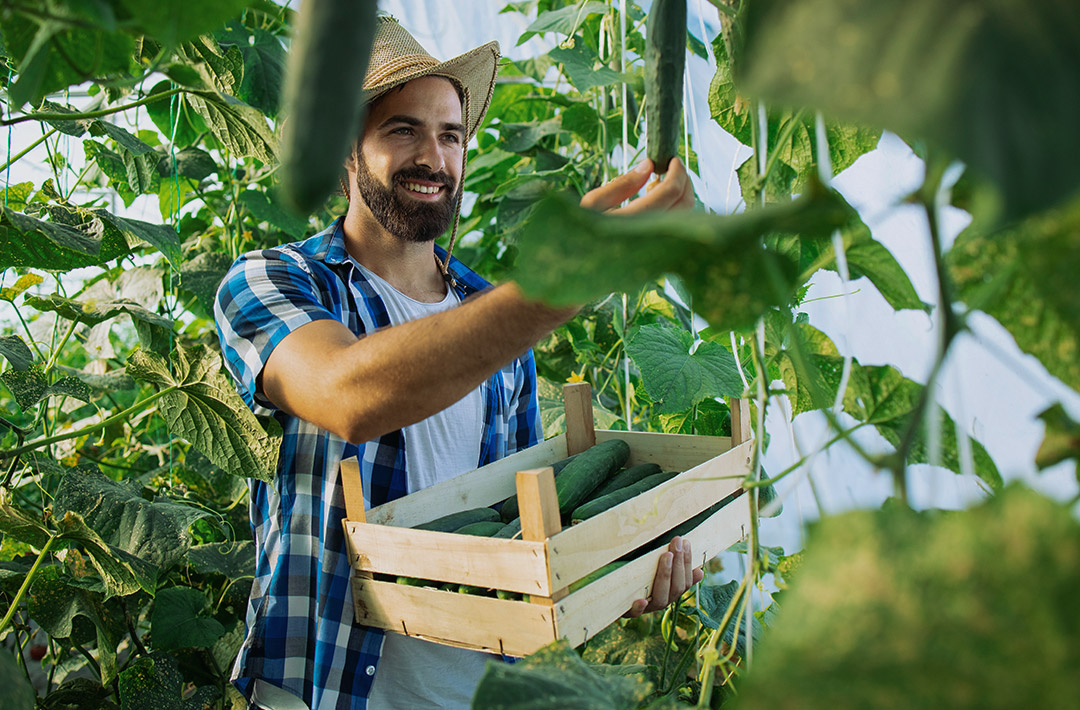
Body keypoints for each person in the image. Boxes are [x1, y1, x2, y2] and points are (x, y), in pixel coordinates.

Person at [215, 16, 699, 710]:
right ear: (347, 150)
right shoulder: (273, 283)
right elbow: (350, 395)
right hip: (326, 692)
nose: (433, 158)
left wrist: (614, 573)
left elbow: (522, 534)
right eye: (402, 130)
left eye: (449, 135)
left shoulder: (494, 329)